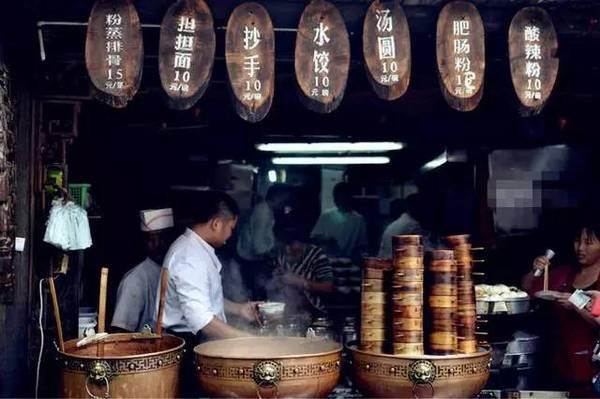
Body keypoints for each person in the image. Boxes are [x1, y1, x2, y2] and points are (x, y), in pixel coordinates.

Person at [159, 191, 260, 341]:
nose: (231, 235)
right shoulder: (190, 257)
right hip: (188, 345)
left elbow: (203, 298)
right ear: (216, 224)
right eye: (231, 228)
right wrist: (250, 341)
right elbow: (202, 320)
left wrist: (239, 309)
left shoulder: (196, 249)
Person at [522, 216, 600, 396]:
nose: (580, 248)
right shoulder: (564, 274)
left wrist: (575, 303)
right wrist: (536, 270)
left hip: (592, 369)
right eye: (577, 241)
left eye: (588, 243)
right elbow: (526, 288)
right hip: (561, 364)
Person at [111, 208, 174, 332]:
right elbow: (121, 331)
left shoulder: (177, 271)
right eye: (152, 239)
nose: (158, 244)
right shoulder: (135, 279)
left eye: (162, 237)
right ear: (144, 242)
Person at [266, 221, 334, 320]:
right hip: (286, 309)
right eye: (286, 246)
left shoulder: (316, 255)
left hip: (312, 311)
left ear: (303, 243)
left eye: (292, 245)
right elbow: (273, 282)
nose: (288, 249)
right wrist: (276, 279)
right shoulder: (280, 253)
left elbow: (328, 287)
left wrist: (301, 282)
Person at [236, 184, 288, 298]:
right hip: (251, 261)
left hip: (255, 260)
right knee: (257, 294)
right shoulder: (262, 212)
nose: (285, 202)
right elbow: (258, 244)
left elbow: (266, 236)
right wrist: (272, 252)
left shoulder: (267, 210)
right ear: (277, 197)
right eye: (284, 198)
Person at [311, 182, 367, 259]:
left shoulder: (358, 220)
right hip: (327, 261)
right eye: (336, 197)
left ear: (349, 197)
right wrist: (326, 240)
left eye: (342, 197)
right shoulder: (326, 215)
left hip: (348, 263)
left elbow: (361, 246)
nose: (337, 200)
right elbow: (314, 237)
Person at [378, 193, 435, 258]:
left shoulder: (400, 221)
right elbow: (427, 251)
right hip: (396, 264)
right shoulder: (412, 226)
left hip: (385, 262)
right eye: (423, 208)